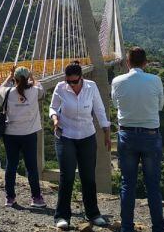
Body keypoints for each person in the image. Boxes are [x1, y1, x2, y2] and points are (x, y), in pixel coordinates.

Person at [49, 60, 112, 230]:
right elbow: (53, 107)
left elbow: (99, 109)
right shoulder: (61, 87)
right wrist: (55, 119)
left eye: (74, 81)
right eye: (68, 81)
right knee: (67, 176)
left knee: (88, 176)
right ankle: (62, 216)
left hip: (86, 135)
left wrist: (106, 132)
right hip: (65, 135)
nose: (71, 84)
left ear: (81, 77)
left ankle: (93, 214)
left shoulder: (91, 87)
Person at [111, 47, 164, 232]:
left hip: (127, 135)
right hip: (150, 135)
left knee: (127, 183)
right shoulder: (155, 80)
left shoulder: (117, 81)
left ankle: (127, 227)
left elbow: (115, 104)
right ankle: (158, 227)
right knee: (153, 185)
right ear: (145, 63)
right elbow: (160, 106)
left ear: (127, 62)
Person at [0, 66, 47, 208]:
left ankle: (10, 198)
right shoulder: (35, 91)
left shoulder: (8, 92)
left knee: (11, 166)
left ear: (15, 79)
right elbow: (40, 88)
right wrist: (32, 77)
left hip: (11, 135)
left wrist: (10, 76)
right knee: (31, 167)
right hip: (29, 135)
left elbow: (1, 87)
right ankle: (36, 198)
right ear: (27, 78)